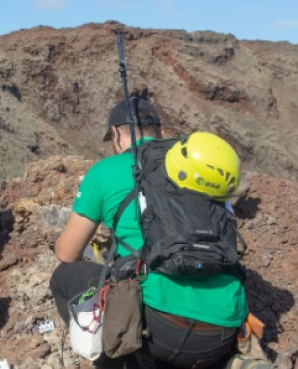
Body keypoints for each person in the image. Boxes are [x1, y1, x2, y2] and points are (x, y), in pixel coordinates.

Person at [50, 97, 270, 369]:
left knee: (62, 278)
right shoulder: (200, 167)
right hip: (222, 330)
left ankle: (118, 356)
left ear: (116, 136)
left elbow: (66, 252)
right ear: (162, 133)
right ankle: (232, 359)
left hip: (160, 329)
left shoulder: (105, 171)